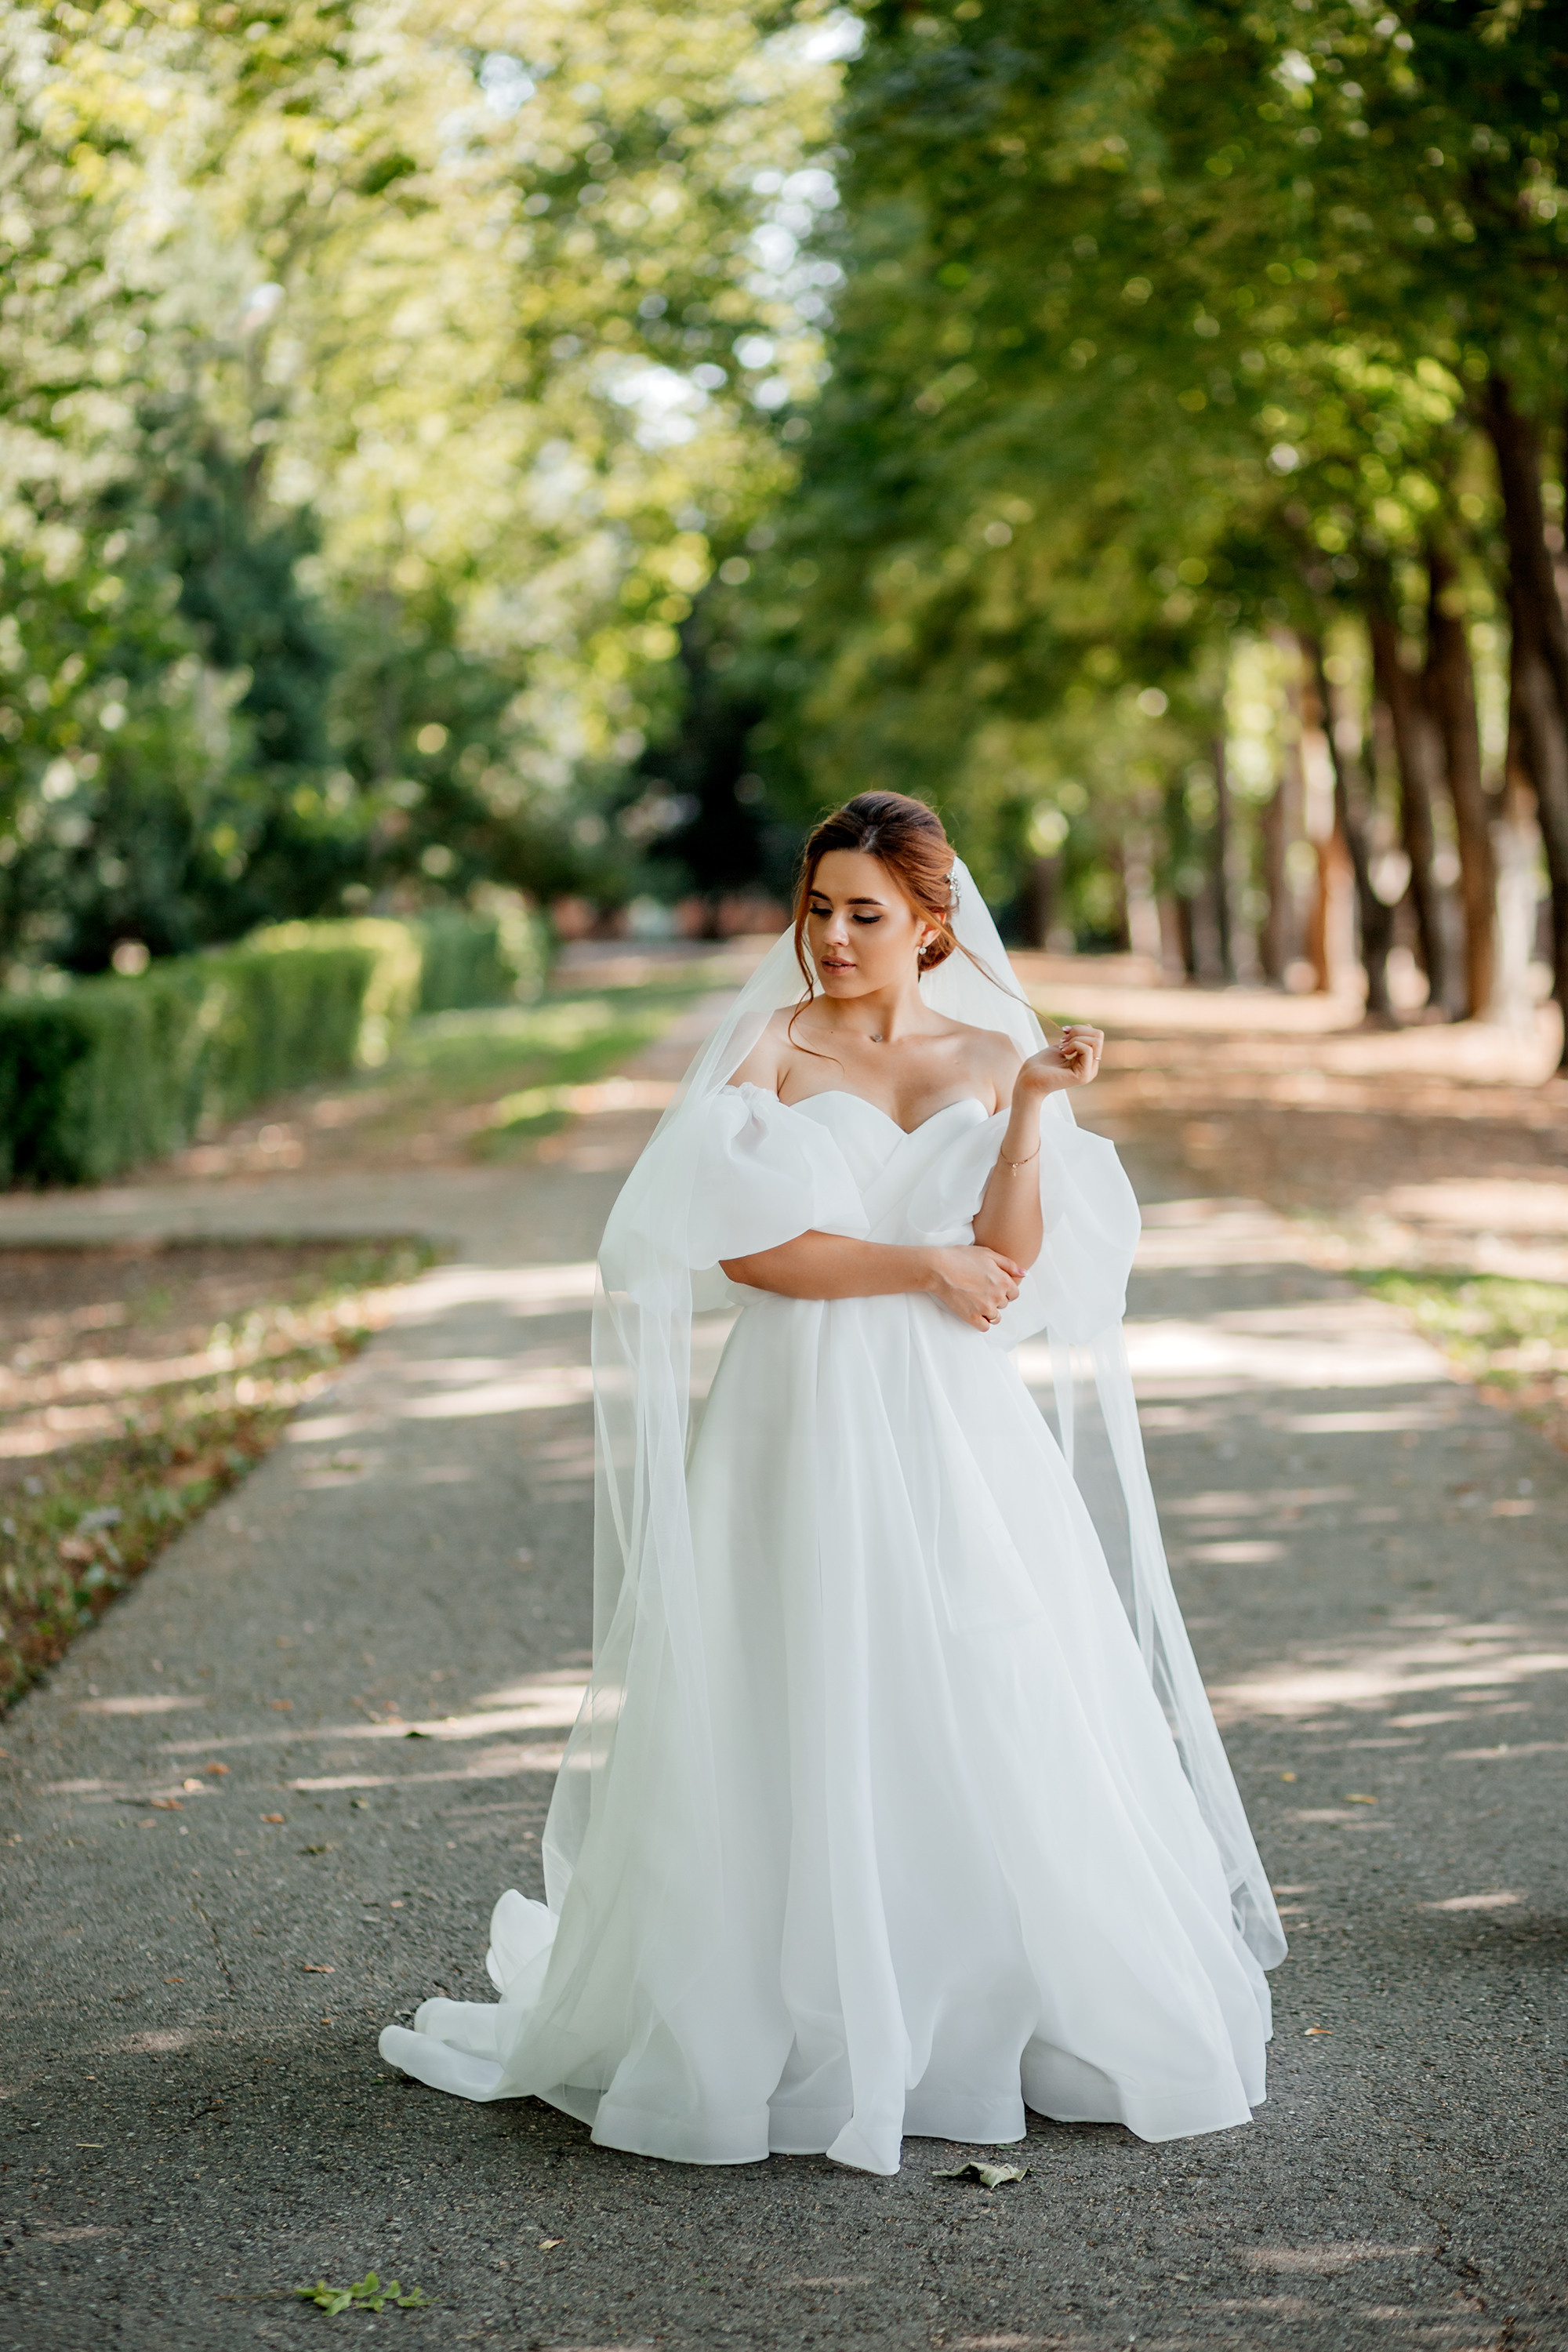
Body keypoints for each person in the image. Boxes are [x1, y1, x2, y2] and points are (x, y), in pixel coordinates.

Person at [379, 791, 1285, 2175]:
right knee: (789, 1672)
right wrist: (915, 1264)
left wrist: (1033, 1110)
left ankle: (983, 2000)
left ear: (933, 924)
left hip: (949, 1415)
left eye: (868, 914)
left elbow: (1009, 1266)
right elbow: (747, 1253)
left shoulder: (991, 1055)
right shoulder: (770, 1048)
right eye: (818, 909)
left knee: (977, 1674)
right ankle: (789, 2014)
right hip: (794, 1403)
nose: (836, 938)